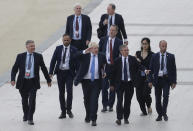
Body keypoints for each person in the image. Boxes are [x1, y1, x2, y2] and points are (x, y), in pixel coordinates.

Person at [11, 40, 52, 125]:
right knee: (24, 101)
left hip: (33, 82)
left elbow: (44, 68)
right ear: (27, 47)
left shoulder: (38, 56)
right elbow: (14, 69)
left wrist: (48, 80)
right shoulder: (20, 56)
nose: (33, 47)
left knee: (32, 100)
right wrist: (13, 79)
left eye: (34, 46)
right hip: (23, 82)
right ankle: (25, 114)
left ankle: (30, 118)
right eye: (31, 46)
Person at [110, 45, 149, 125]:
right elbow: (113, 73)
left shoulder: (132, 59)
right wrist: (112, 84)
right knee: (119, 101)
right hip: (120, 83)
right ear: (121, 52)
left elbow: (139, 66)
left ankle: (126, 118)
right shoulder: (117, 60)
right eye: (125, 50)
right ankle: (119, 118)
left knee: (128, 102)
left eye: (127, 50)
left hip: (129, 83)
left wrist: (145, 70)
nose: (126, 51)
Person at [74, 42, 106, 126]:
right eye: (94, 48)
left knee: (94, 100)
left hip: (96, 81)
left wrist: (105, 71)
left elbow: (105, 65)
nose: (96, 50)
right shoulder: (85, 56)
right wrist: (85, 51)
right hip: (86, 81)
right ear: (90, 49)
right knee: (87, 99)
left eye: (97, 48)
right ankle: (88, 114)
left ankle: (93, 118)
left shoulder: (101, 56)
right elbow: (75, 56)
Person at [49, 34, 78, 119]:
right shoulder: (58, 49)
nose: (66, 41)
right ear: (62, 40)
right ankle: (63, 111)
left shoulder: (74, 49)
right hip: (60, 73)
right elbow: (53, 60)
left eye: (67, 40)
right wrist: (50, 72)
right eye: (64, 40)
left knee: (69, 91)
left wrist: (77, 74)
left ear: (70, 40)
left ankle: (69, 109)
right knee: (61, 93)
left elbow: (77, 63)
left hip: (69, 73)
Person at [148, 40, 177, 121]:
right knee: (157, 98)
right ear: (159, 46)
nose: (164, 48)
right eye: (162, 46)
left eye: (165, 46)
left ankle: (164, 113)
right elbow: (150, 69)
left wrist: (174, 82)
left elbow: (173, 70)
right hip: (157, 80)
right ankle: (159, 114)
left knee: (165, 96)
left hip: (166, 80)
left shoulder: (171, 56)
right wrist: (150, 81)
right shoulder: (154, 56)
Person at [99, 25, 123, 112]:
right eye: (110, 30)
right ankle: (104, 105)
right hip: (105, 66)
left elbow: (121, 54)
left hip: (114, 66)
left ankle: (111, 104)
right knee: (104, 86)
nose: (111, 32)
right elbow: (99, 51)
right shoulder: (103, 39)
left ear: (116, 32)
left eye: (113, 30)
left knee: (113, 86)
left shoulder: (119, 42)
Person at [135, 37, 154, 116]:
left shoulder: (152, 55)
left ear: (149, 44)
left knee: (146, 94)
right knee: (139, 96)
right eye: (143, 44)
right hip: (138, 78)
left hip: (147, 78)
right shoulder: (137, 53)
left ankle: (148, 105)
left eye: (146, 44)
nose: (144, 45)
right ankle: (143, 111)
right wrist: (136, 60)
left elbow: (153, 67)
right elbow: (134, 64)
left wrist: (151, 80)